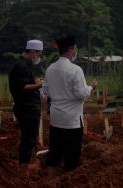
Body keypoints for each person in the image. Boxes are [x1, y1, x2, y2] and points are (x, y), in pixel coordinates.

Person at [43, 35, 97, 176]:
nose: (75, 52)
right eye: (75, 49)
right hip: (72, 121)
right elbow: (81, 94)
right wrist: (91, 87)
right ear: (70, 50)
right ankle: (68, 181)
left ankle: (51, 182)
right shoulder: (75, 70)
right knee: (72, 158)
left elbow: (46, 91)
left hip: (56, 118)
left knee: (54, 154)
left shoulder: (50, 69)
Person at [8, 39, 44, 175]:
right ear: (33, 52)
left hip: (27, 107)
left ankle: (25, 165)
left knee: (29, 137)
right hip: (27, 108)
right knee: (28, 139)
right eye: (39, 54)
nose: (39, 57)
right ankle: (23, 170)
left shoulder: (24, 65)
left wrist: (35, 83)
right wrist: (40, 85)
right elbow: (23, 87)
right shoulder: (21, 66)